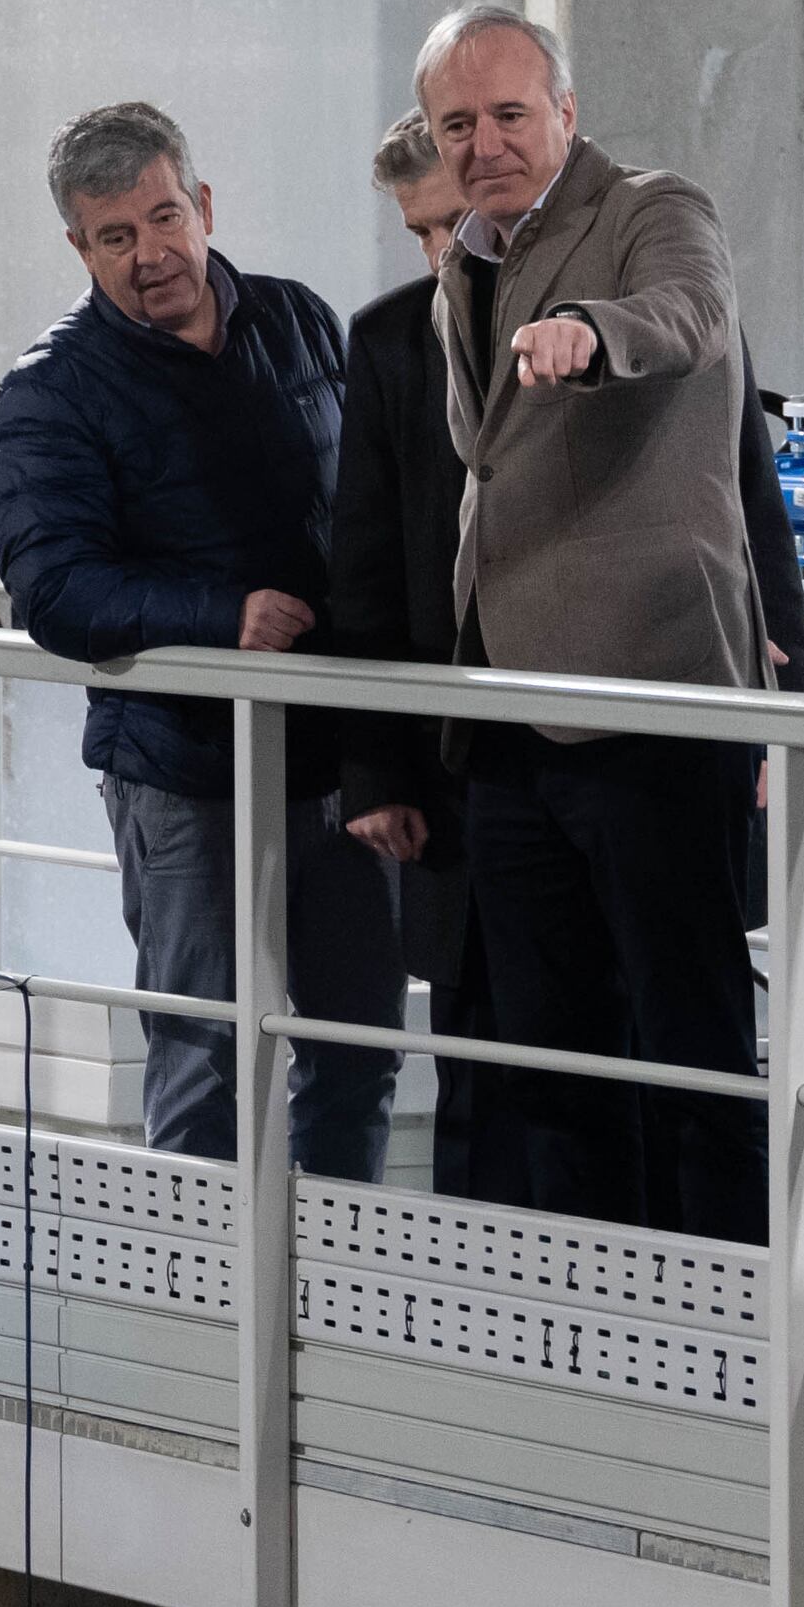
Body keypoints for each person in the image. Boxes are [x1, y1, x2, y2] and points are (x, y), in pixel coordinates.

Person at [407, 3, 774, 1243]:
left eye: (510, 113)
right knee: (548, 1059)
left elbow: (688, 315)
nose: (485, 141)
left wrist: (592, 333)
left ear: (565, 112)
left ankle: (728, 1315)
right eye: (458, 122)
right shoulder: (464, 256)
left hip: (649, 696)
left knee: (690, 1046)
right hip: (510, 716)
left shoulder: (651, 208)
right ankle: (598, 1326)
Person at [0, 99, 399, 1173]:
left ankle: (332, 1295)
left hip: (340, 759)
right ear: (78, 247)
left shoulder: (300, 320)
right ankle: (202, 1320)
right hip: (182, 772)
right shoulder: (51, 390)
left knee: (358, 1051)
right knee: (204, 1057)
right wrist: (223, 619)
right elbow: (51, 589)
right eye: (115, 236)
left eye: (163, 218)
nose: (149, 254)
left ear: (203, 206)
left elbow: (372, 508)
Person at [328, 114, 529, 1202]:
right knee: (470, 1043)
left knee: (619, 1041)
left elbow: (734, 502)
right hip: (445, 751)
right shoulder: (388, 336)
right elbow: (361, 556)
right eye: (419, 230)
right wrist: (374, 769)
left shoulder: (624, 294)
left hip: (595, 739)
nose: (441, 249)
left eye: (453, 221)